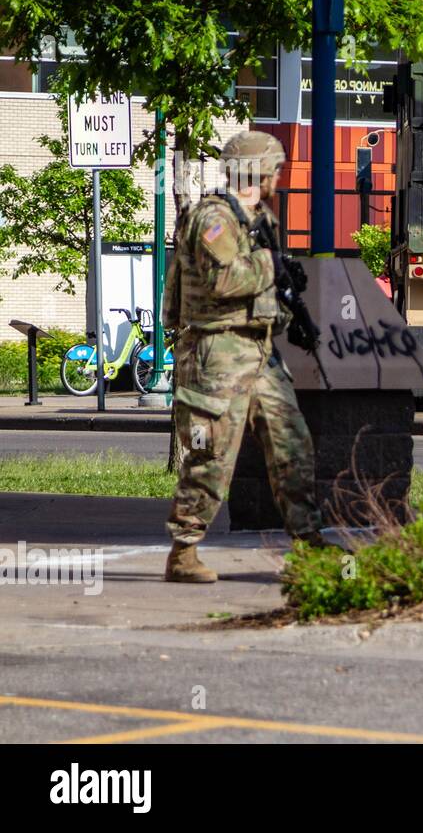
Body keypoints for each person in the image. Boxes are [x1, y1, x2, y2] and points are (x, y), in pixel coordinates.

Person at [160, 131, 334, 583]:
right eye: (275, 169)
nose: (279, 177)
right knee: (211, 456)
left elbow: (265, 281)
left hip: (259, 351)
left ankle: (309, 543)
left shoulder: (260, 219)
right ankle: (184, 551)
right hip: (216, 352)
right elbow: (225, 281)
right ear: (258, 171)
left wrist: (285, 309)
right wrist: (269, 268)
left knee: (293, 444)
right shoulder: (213, 219)